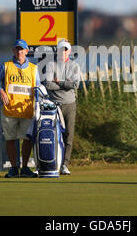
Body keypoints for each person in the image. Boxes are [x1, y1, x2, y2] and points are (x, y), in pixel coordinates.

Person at [0, 39, 40, 178]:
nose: (19, 52)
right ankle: (14, 168)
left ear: (26, 51)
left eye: (22, 49)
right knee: (10, 139)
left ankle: (24, 168)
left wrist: (39, 103)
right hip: (9, 110)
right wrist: (1, 91)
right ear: (13, 51)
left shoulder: (34, 69)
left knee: (27, 140)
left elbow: (37, 89)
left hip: (27, 110)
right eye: (17, 49)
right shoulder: (6, 66)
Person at [44, 39, 81, 175]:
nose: (63, 52)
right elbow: (48, 85)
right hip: (54, 105)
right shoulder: (50, 65)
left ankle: (65, 165)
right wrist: (66, 83)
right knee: (53, 134)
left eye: (65, 50)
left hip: (70, 104)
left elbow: (75, 85)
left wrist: (59, 81)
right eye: (61, 50)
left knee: (68, 136)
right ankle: (53, 162)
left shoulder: (74, 66)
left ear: (69, 51)